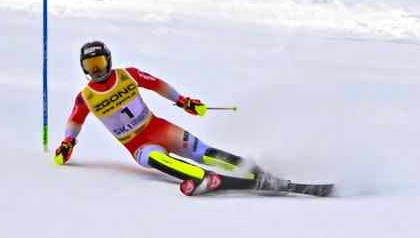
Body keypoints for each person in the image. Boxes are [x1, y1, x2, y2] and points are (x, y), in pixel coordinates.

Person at [53, 40, 277, 195]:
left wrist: (183, 101)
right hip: (137, 144)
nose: (96, 71)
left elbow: (157, 84)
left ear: (108, 61)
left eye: (99, 64)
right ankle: (203, 177)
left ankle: (251, 169)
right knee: (156, 159)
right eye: (90, 67)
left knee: (202, 151)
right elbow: (75, 121)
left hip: (157, 127)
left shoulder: (127, 75)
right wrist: (68, 143)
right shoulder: (86, 97)